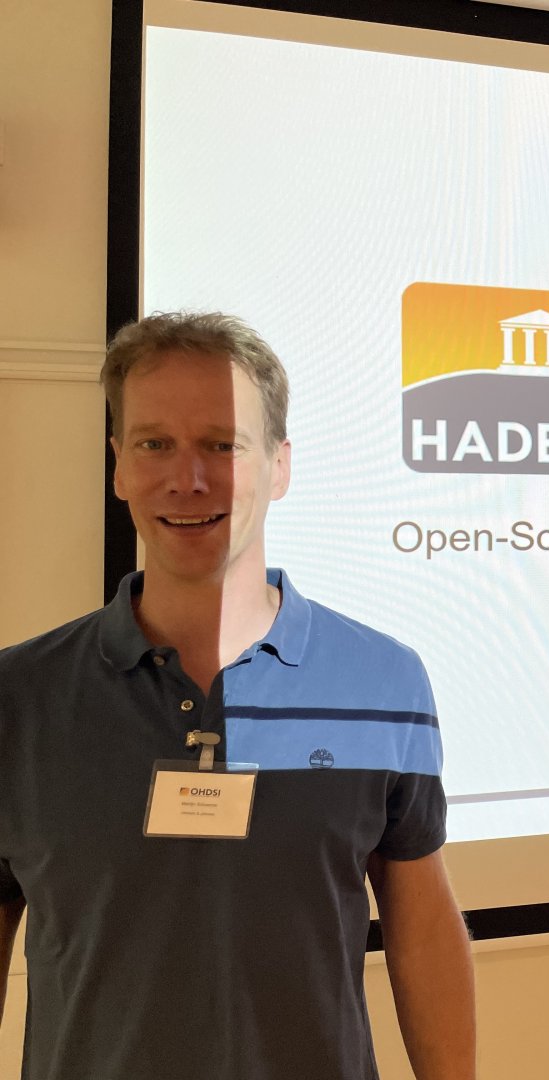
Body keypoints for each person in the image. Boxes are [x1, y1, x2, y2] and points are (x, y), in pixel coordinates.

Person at [0, 312, 475, 1080]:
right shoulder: (19, 698)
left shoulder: (385, 681)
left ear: (280, 466)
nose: (187, 478)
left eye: (222, 445)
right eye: (155, 444)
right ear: (118, 465)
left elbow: (422, 931)